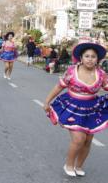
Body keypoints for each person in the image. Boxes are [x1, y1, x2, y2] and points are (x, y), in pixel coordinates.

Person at [44, 42, 108, 177]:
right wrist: (47, 101)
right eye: (87, 56)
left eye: (93, 56)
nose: (90, 59)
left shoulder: (101, 74)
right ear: (81, 58)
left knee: (88, 140)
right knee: (79, 139)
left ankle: (78, 166)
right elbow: (59, 87)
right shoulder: (72, 71)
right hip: (73, 107)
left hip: (92, 108)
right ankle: (69, 164)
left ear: (97, 59)